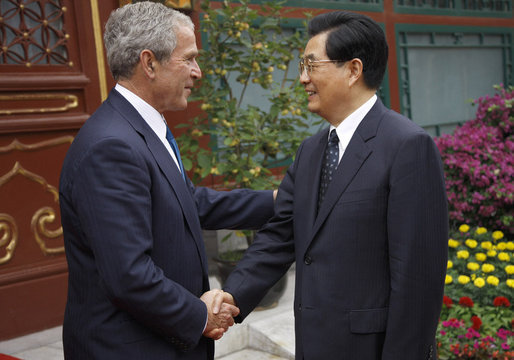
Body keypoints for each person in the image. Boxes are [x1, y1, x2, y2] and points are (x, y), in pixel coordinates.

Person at [218, 11, 448, 360]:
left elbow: (417, 280)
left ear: (353, 70)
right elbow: (280, 236)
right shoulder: (311, 151)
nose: (302, 79)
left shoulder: (406, 146)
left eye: (312, 65)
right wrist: (231, 297)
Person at [58, 2, 275, 359]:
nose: (198, 71)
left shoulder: (140, 126)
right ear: (149, 63)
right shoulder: (111, 146)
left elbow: (188, 202)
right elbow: (130, 275)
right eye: (188, 58)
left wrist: (275, 201)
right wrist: (201, 316)